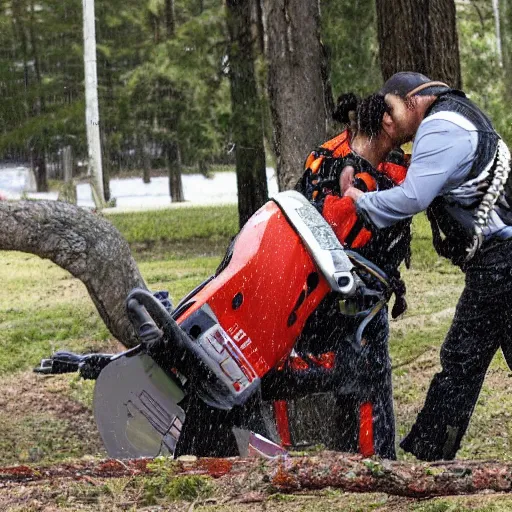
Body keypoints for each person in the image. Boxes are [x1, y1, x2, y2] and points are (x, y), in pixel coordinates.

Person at [343, 71, 512, 461]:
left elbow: (413, 197)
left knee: (461, 360)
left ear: (414, 99)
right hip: (500, 261)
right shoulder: (459, 114)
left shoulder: (439, 126)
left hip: (500, 263)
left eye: (390, 110)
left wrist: (358, 200)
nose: (388, 123)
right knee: (466, 360)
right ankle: (433, 454)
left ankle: (431, 460)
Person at [262, 92, 412, 459]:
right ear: (384, 126)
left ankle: (358, 457)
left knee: (357, 378)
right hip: (341, 289)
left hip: (341, 290)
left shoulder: (331, 155)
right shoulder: (358, 167)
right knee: (362, 379)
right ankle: (372, 462)